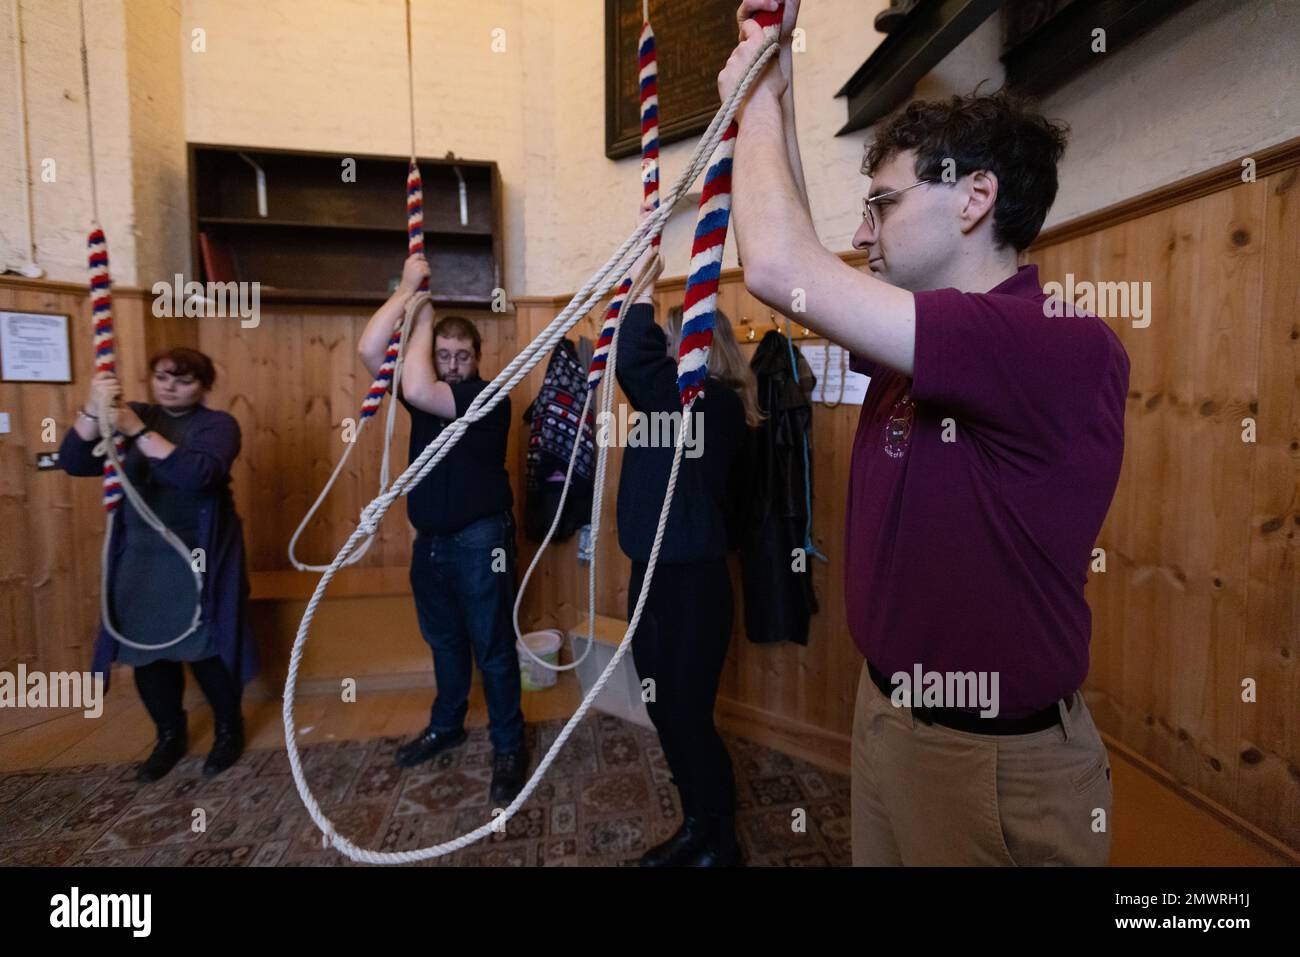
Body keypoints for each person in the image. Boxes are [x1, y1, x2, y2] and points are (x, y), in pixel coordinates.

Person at [720, 0, 1129, 865]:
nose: (862, 234)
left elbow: (784, 270)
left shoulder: (1049, 341)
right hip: (889, 716)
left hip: (987, 761)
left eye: (882, 204)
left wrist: (751, 95)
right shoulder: (927, 344)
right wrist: (778, 73)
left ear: (976, 197)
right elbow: (811, 270)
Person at [614, 203, 761, 866]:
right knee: (666, 709)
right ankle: (697, 822)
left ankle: (719, 839)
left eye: (675, 347)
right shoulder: (674, 406)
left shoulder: (715, 406)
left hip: (691, 587)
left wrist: (645, 283)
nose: (668, 358)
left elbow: (635, 364)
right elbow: (642, 377)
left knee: (687, 714)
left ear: (696, 350)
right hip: (652, 575)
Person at [359, 256, 528, 803]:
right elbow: (369, 349)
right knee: (445, 643)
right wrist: (407, 290)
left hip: (482, 542)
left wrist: (422, 314)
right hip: (430, 543)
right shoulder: (421, 391)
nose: (452, 364)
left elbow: (421, 384)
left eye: (461, 356)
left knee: (494, 647)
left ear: (477, 360)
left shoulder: (487, 397)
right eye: (443, 357)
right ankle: (448, 724)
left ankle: (509, 745)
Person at [60, 348, 257, 783]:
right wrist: (93, 410)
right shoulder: (132, 413)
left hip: (197, 555)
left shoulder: (217, 425)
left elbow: (198, 475)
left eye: (184, 380)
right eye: (163, 377)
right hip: (140, 557)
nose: (170, 386)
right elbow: (75, 461)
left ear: (204, 386)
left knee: (205, 647)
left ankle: (229, 727)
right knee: (146, 653)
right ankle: (169, 734)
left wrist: (138, 429)